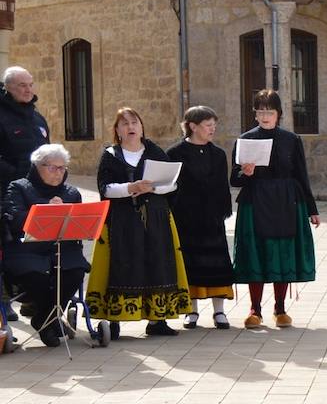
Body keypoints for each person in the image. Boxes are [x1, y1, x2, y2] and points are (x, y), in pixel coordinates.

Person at [86, 108, 192, 338]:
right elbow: (105, 188)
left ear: (142, 126)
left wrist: (152, 187)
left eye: (134, 122)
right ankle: (113, 319)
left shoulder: (155, 151)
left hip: (156, 217)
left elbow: (172, 184)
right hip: (121, 220)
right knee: (121, 264)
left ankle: (158, 319)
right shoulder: (111, 155)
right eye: (124, 124)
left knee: (158, 263)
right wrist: (130, 188)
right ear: (117, 130)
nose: (130, 127)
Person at [232, 90, 320, 328]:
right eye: (260, 111)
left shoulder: (291, 140)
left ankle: (280, 308)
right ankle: (255, 309)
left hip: (286, 201)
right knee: (256, 252)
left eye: (269, 111)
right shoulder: (246, 139)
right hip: (255, 201)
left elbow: (301, 175)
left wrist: (312, 208)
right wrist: (245, 173)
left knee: (283, 253)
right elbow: (234, 179)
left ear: (278, 114)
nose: (264, 116)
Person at [2, 144, 87, 346]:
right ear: (37, 166)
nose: (58, 173)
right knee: (37, 276)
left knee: (76, 271)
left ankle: (43, 319)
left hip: (62, 250)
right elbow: (14, 219)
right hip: (27, 251)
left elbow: (81, 223)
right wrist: (45, 210)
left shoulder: (72, 192)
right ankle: (52, 319)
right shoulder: (19, 187)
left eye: (62, 168)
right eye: (52, 167)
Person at [167, 106, 234, 330]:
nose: (212, 129)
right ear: (193, 126)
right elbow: (171, 187)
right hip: (186, 218)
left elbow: (223, 187)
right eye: (208, 125)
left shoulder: (218, 154)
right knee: (190, 264)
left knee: (218, 264)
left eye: (214, 124)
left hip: (212, 218)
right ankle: (191, 311)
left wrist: (221, 212)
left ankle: (219, 312)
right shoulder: (175, 153)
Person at [0, 67, 50, 323]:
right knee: (6, 247)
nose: (28, 90)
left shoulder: (38, 119)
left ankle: (35, 299)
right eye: (22, 85)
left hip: (38, 196)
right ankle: (4, 301)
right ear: (8, 87)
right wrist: (21, 173)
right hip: (6, 194)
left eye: (30, 84)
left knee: (36, 246)